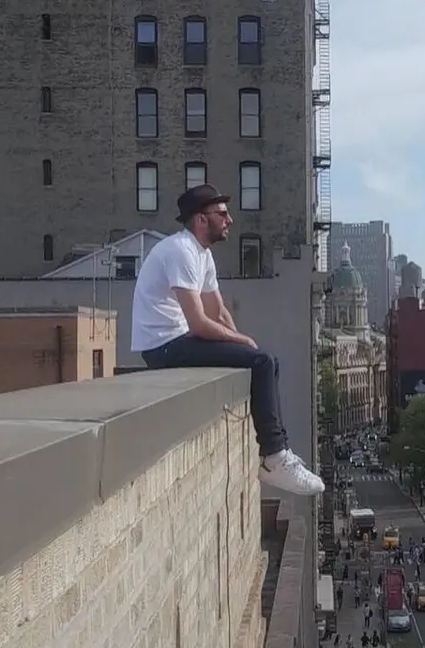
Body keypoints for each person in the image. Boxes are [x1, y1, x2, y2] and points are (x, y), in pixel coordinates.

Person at [131, 184, 325, 496]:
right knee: (262, 362)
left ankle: (279, 451)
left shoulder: (201, 254)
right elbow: (199, 323)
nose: (229, 220)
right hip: (162, 347)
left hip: (178, 340)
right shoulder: (180, 251)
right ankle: (275, 458)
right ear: (201, 220)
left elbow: (218, 312)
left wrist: (242, 344)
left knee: (265, 360)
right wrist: (241, 342)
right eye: (222, 213)